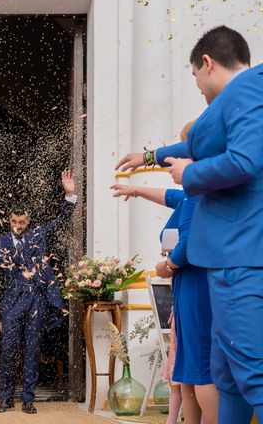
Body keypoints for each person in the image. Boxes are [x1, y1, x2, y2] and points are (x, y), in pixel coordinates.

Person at [115, 25, 262, 423]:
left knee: (251, 374)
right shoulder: (232, 102)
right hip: (225, 260)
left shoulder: (248, 89)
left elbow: (246, 161)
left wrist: (189, 174)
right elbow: (198, 140)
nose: (197, 86)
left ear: (208, 63)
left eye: (195, 76)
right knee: (227, 375)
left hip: (241, 257)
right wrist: (149, 157)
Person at [112, 121, 218, 424]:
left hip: (196, 286)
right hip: (187, 288)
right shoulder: (190, 193)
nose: (175, 159)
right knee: (187, 371)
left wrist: (168, 265)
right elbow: (169, 196)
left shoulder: (200, 194)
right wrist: (135, 188)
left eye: (182, 152)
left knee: (201, 369)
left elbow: (189, 244)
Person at [0, 170, 77, 414]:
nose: (18, 226)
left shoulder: (38, 234)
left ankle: (29, 399)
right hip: (11, 301)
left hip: (37, 300)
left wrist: (70, 195)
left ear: (28, 221)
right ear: (9, 221)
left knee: (32, 348)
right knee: (9, 348)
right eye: (14, 222)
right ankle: (7, 398)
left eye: (22, 222)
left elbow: (60, 221)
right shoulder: (0, 244)